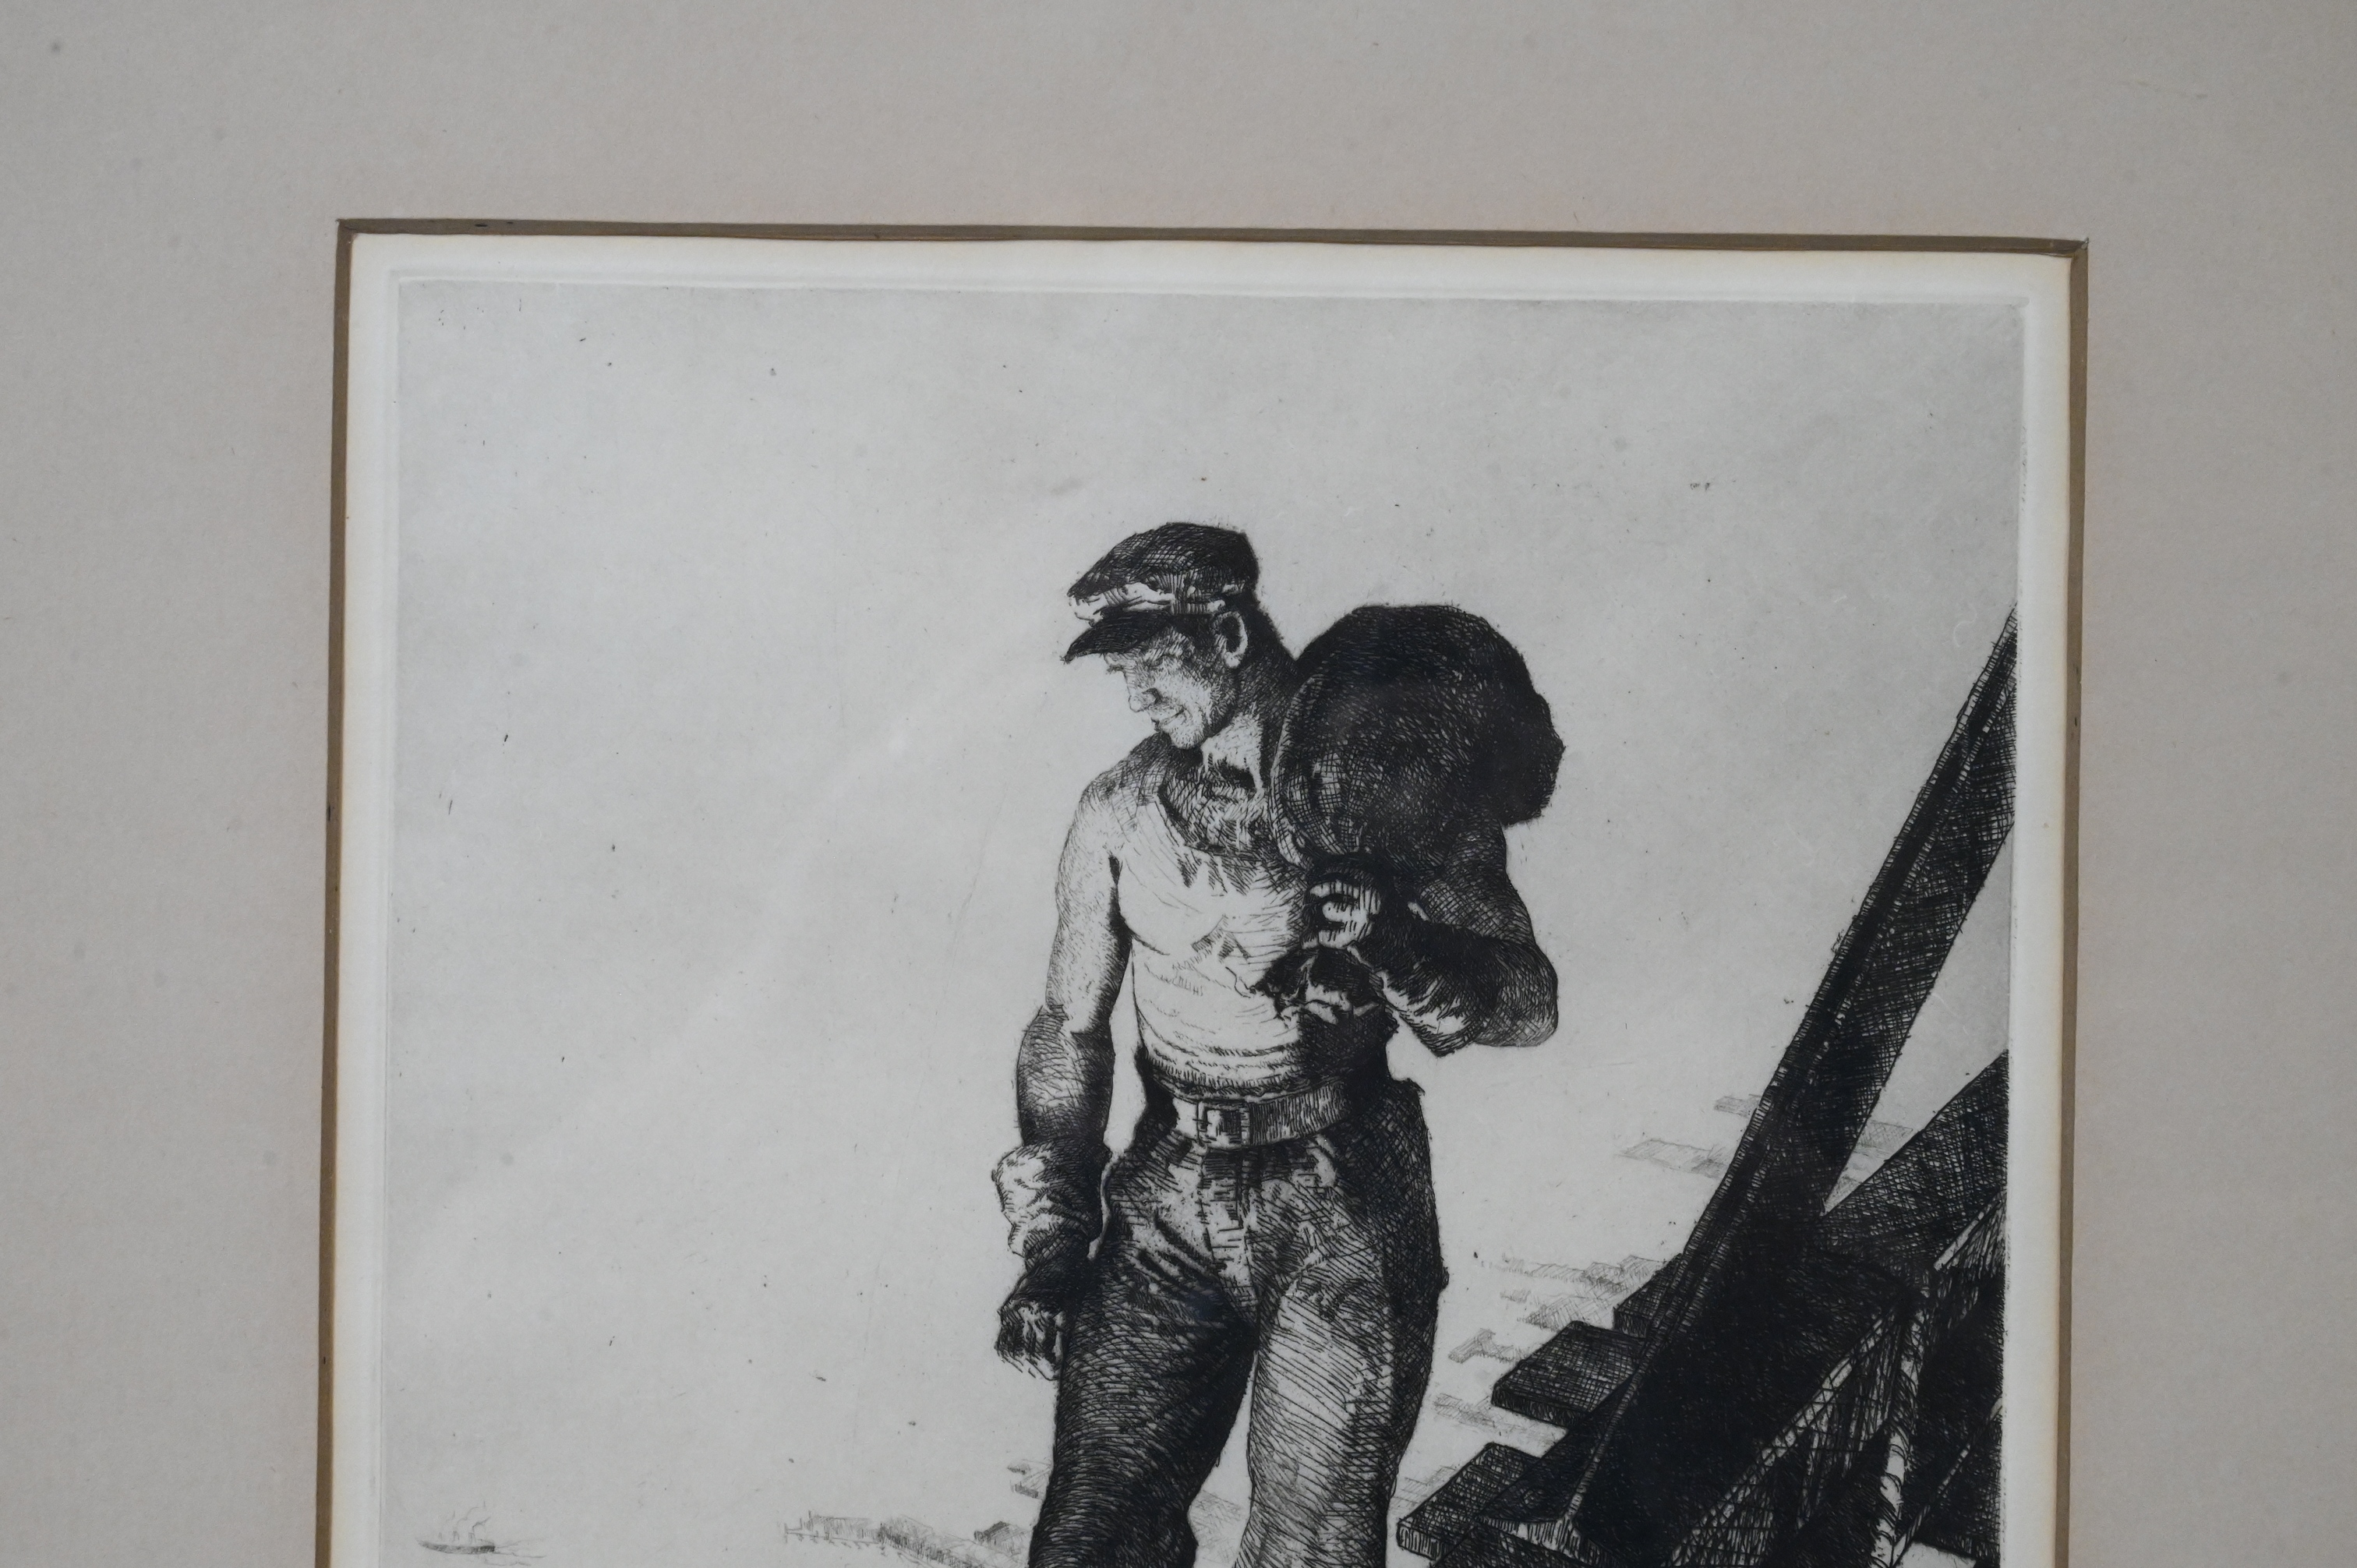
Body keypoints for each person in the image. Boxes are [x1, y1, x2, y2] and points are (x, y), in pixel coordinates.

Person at [993, 523, 1558, 1568]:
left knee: (1313, 1550)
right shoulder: (1118, 811)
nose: (1134, 693)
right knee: (1090, 1543)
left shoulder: (1384, 775)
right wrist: (1052, 1244)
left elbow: (1527, 1003)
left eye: (1152, 661)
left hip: (1343, 1200)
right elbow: (1068, 1029)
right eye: (1120, 669)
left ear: (1226, 635)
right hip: (1167, 1199)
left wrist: (1396, 943)